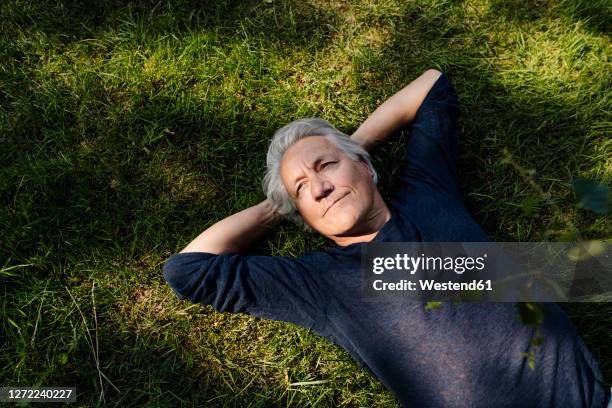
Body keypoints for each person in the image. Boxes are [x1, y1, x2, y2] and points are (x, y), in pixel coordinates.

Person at [163, 69, 609, 407]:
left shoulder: (427, 195)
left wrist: (351, 147)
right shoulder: (319, 284)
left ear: (365, 165)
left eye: (325, 166)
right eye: (302, 189)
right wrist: (281, 204)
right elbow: (188, 270)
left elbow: (433, 86)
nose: (317, 187)